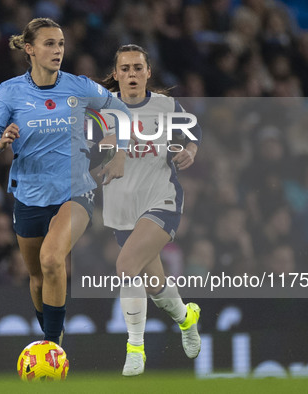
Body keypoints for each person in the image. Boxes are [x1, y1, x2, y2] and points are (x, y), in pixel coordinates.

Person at [0, 18, 131, 346]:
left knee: (51, 259)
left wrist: (120, 152)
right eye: (49, 43)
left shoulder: (79, 86)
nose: (57, 50)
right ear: (30, 49)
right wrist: (1, 142)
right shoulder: (9, 92)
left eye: (60, 43)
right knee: (36, 279)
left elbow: (123, 111)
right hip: (29, 195)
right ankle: (53, 333)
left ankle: (52, 347)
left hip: (75, 191)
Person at [98, 44, 203, 376]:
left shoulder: (166, 106)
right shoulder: (101, 111)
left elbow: (192, 131)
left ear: (148, 73)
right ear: (116, 74)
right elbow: (86, 152)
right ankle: (187, 319)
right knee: (156, 286)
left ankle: (134, 349)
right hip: (122, 208)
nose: (131, 74)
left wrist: (190, 150)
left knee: (126, 266)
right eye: (125, 68)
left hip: (162, 199)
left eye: (137, 68)